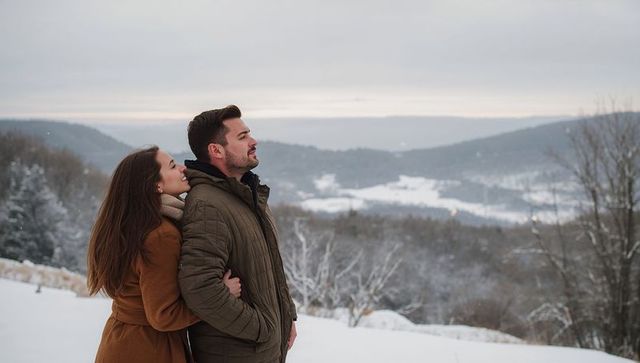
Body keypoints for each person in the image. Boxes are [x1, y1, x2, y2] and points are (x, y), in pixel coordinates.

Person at [87, 146, 241, 363]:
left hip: (121, 343)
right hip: (149, 350)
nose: (182, 168)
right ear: (155, 185)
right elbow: (164, 316)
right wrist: (220, 295)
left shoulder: (132, 225)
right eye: (172, 165)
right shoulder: (160, 236)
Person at [179, 105, 297, 363]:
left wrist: (286, 316)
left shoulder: (243, 194)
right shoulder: (207, 206)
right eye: (242, 137)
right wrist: (264, 329)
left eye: (249, 134)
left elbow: (269, 266)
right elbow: (200, 289)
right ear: (216, 150)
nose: (254, 142)